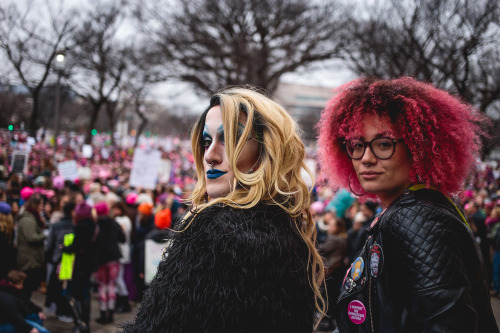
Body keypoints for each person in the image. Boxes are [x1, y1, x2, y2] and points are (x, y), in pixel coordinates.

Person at [122, 87, 325, 332]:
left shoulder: (212, 231)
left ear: (265, 151)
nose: (210, 155)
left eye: (229, 139)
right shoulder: (290, 231)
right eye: (207, 141)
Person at [317, 77, 498, 332]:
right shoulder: (419, 208)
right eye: (356, 145)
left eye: (383, 144)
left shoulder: (417, 218)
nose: (366, 158)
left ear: (418, 147)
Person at [94, 201, 125, 324]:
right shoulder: (114, 223)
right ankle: (111, 313)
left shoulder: (95, 225)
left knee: (102, 286)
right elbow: (122, 239)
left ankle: (103, 313)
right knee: (112, 285)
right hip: (113, 257)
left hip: (100, 259)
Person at [16, 195, 47, 300]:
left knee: (29, 287)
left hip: (32, 258)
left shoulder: (32, 218)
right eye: (41, 205)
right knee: (27, 287)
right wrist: (45, 235)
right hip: (29, 259)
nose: (42, 208)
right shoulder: (28, 220)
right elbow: (31, 237)